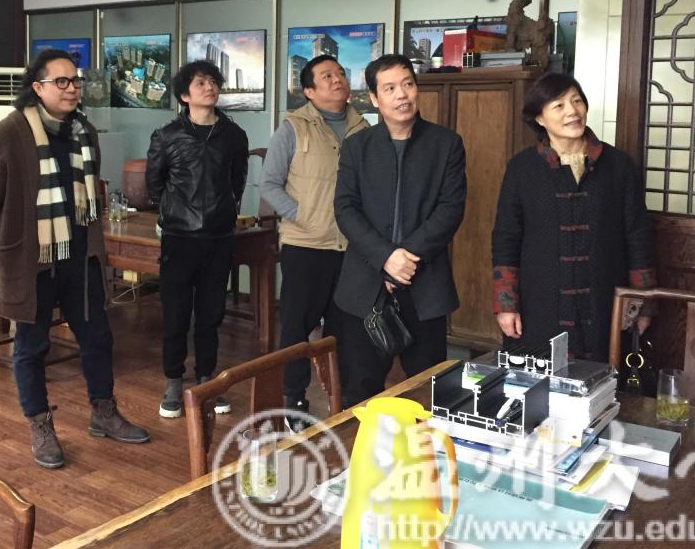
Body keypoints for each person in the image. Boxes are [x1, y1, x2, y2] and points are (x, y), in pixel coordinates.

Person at [0, 49, 149, 469]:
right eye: (61, 82)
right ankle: (40, 424)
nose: (71, 89)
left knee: (97, 336)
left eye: (75, 81)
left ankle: (103, 411)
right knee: (32, 346)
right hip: (31, 259)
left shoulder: (84, 131)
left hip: (80, 254)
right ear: (37, 87)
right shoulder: (9, 132)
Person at [491, 72, 655, 362]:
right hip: (539, 302)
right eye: (559, 105)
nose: (572, 111)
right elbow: (506, 239)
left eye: (577, 101)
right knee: (539, 378)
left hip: (605, 300)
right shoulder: (522, 169)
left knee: (604, 377)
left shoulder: (618, 165)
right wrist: (506, 305)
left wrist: (642, 304)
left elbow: (638, 236)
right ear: (540, 118)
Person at [333, 54, 466, 408]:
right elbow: (345, 209)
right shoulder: (357, 147)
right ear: (374, 98)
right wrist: (385, 258)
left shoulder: (445, 144)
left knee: (429, 392)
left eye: (407, 84)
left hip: (425, 287)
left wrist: (405, 260)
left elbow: (450, 210)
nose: (401, 94)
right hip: (365, 287)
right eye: (390, 88)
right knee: (360, 392)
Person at [259, 55, 368, 429]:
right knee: (296, 329)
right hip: (305, 246)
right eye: (326, 76)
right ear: (308, 90)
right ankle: (294, 401)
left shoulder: (363, 128)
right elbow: (269, 184)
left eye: (340, 73)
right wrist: (302, 215)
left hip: (351, 248)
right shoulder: (293, 127)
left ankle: (344, 399)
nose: (337, 79)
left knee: (345, 330)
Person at [146, 60, 248, 419]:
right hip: (179, 238)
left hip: (219, 237)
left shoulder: (233, 135)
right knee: (175, 314)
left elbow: (237, 182)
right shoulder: (167, 135)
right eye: (201, 83)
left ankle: (207, 378)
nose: (210, 88)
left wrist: (224, 214)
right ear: (185, 95)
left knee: (211, 314)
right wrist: (175, 213)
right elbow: (154, 185)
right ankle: (174, 381)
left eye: (213, 82)